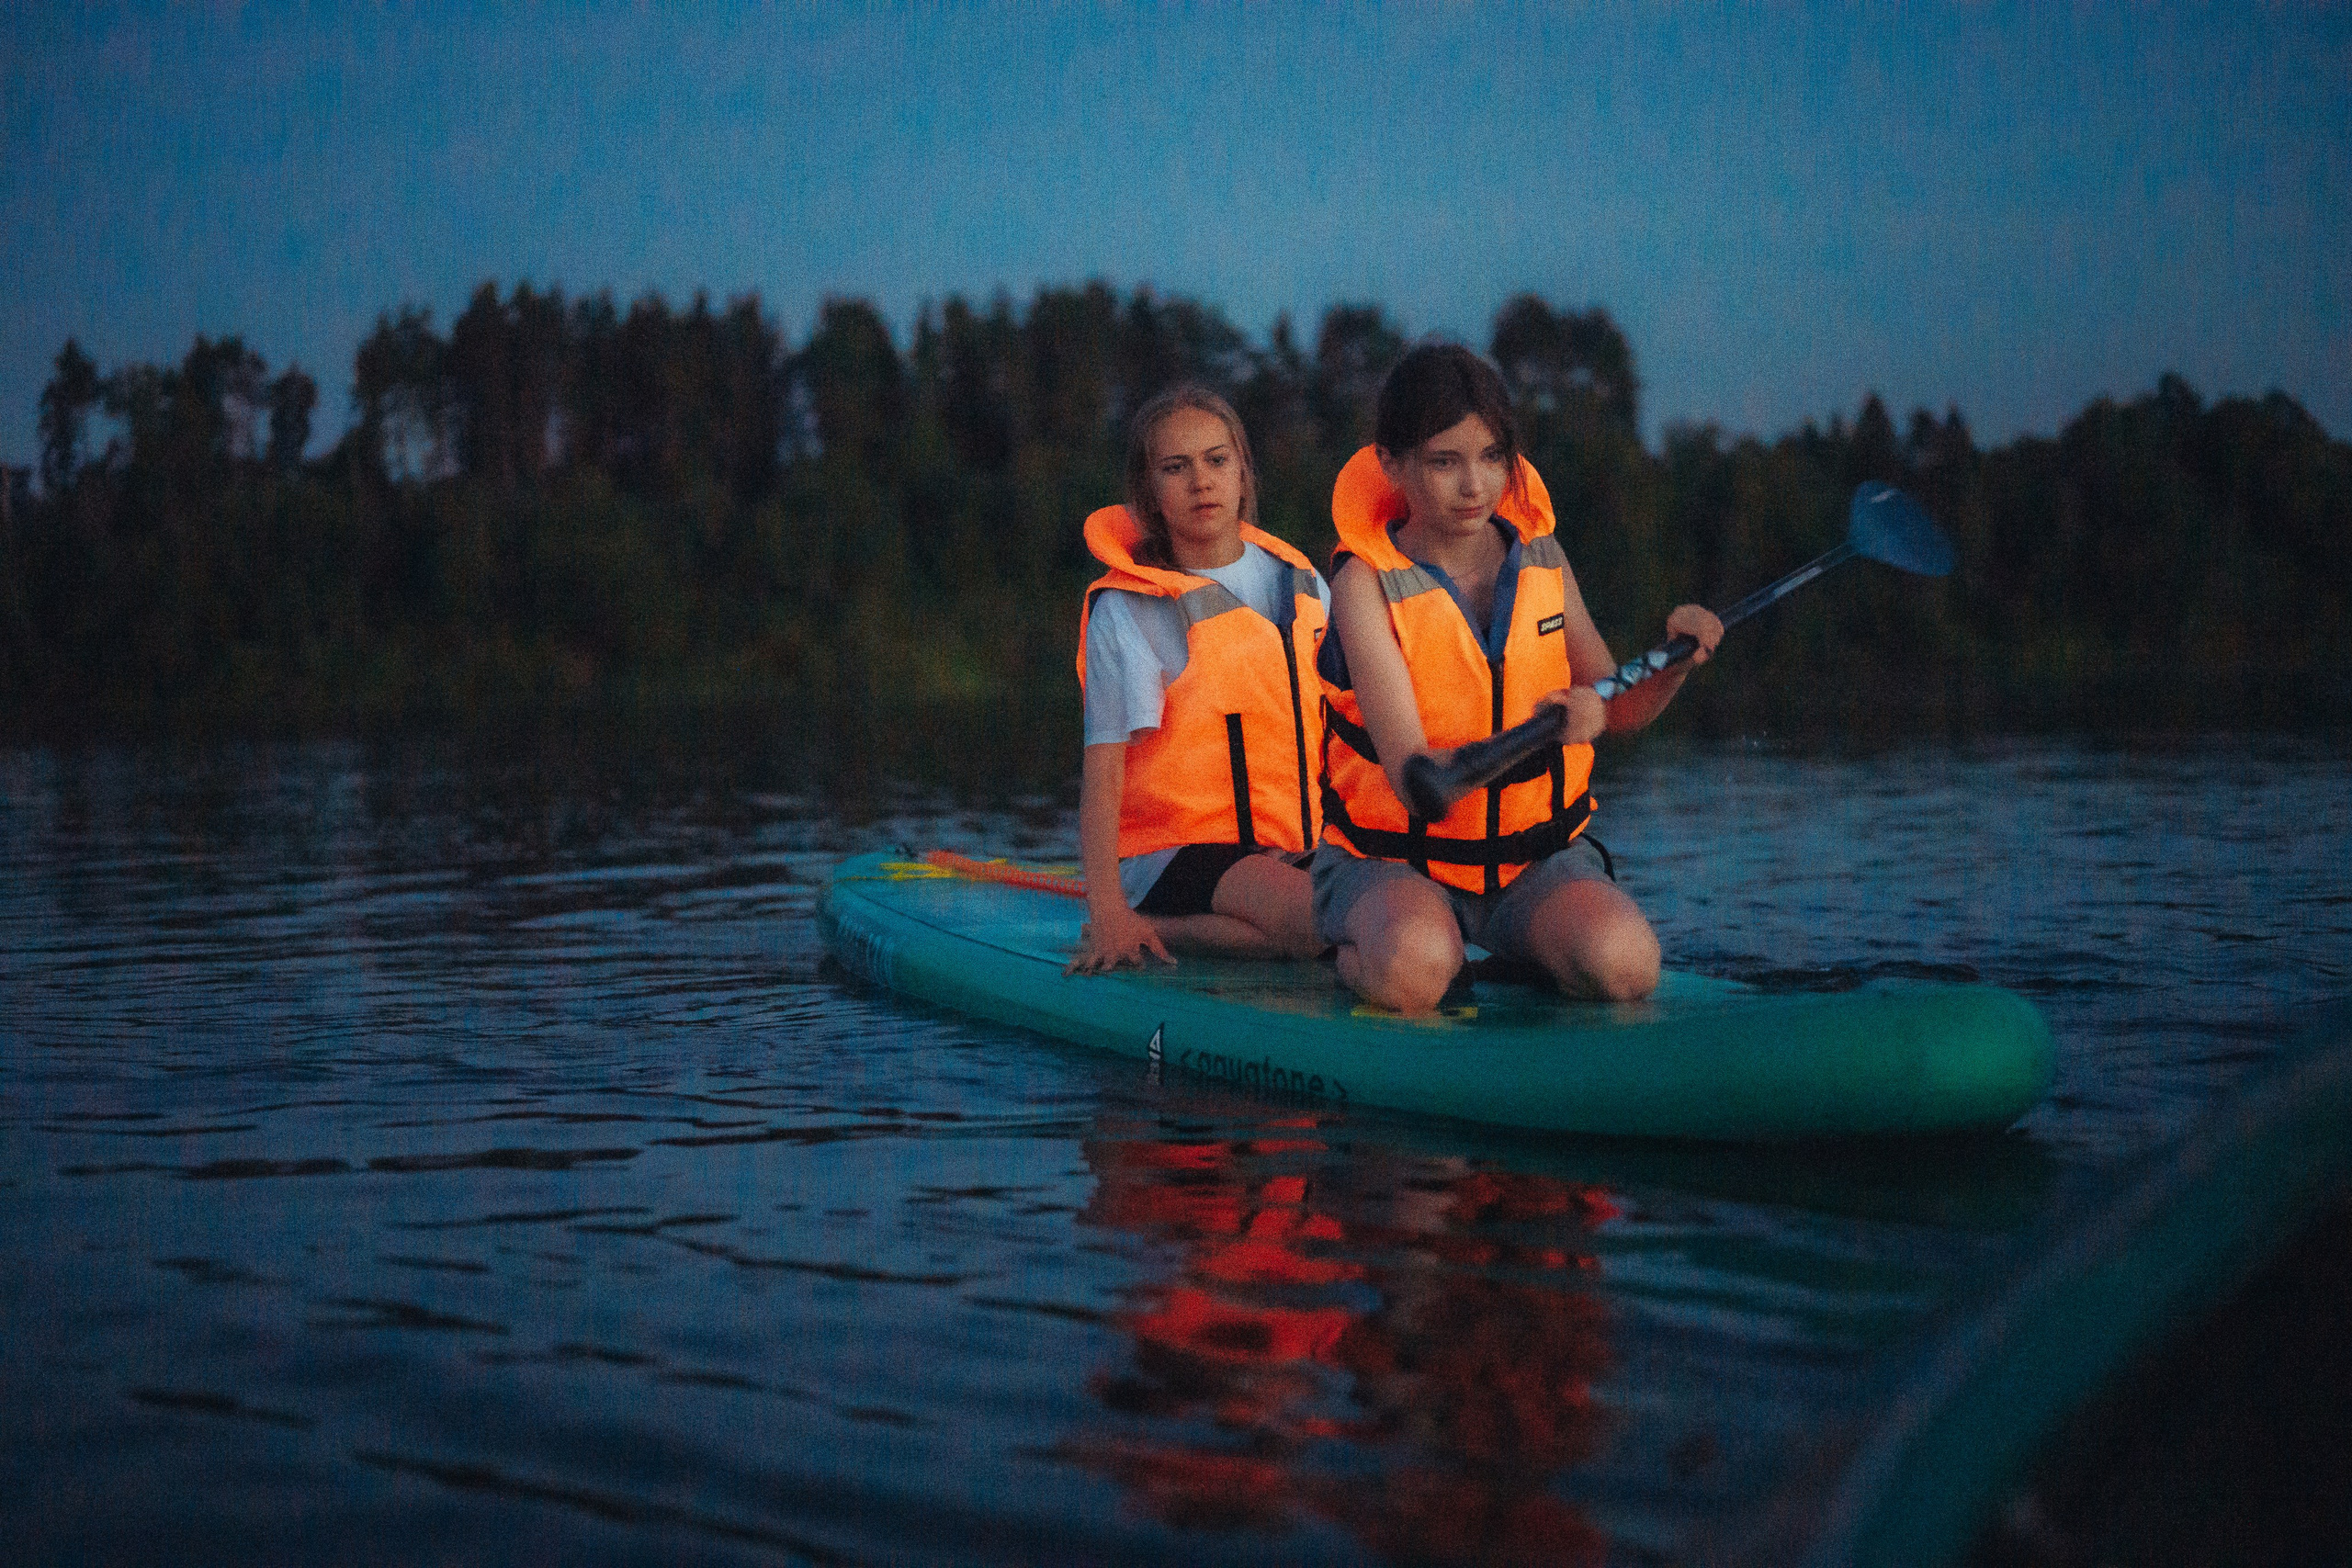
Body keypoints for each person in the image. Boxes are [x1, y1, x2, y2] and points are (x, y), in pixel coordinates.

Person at [1315, 344, 1722, 1013]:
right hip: (1395, 864)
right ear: (1391, 463)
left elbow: (1614, 704)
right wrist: (1558, 729)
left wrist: (1676, 660)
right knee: (1416, 968)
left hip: (1531, 862)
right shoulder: (1363, 585)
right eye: (1445, 461)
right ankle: (1355, 953)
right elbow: (1418, 782)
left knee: (1626, 964)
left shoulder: (1543, 559)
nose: (1474, 485)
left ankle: (1514, 951)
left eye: (1492, 457)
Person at [1068, 385, 1330, 975]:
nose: (1201, 481)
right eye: (1175, 468)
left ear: (1242, 472)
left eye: (1217, 460)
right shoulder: (1130, 608)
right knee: (1323, 921)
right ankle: (1151, 926)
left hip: (1290, 842)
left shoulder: (1304, 581)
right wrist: (1107, 907)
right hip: (1170, 852)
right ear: (1149, 492)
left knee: (1375, 910)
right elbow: (1102, 774)